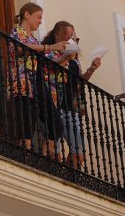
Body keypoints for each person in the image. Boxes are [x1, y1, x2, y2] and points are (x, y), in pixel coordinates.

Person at [43, 21, 102, 168]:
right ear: (57, 35)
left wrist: (91, 69)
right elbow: (47, 67)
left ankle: (66, 176)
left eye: (73, 36)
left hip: (72, 107)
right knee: (54, 150)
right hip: (55, 103)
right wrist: (65, 57)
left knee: (79, 152)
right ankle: (52, 174)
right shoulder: (49, 52)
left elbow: (79, 81)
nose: (71, 39)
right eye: (67, 35)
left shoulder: (75, 60)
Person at [9, 3, 67, 150]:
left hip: (38, 84)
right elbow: (22, 47)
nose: (40, 21)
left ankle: (44, 156)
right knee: (27, 127)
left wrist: (66, 57)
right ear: (27, 15)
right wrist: (51, 47)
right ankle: (24, 157)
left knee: (57, 126)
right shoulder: (18, 32)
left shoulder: (35, 41)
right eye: (38, 17)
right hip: (23, 83)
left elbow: (45, 62)